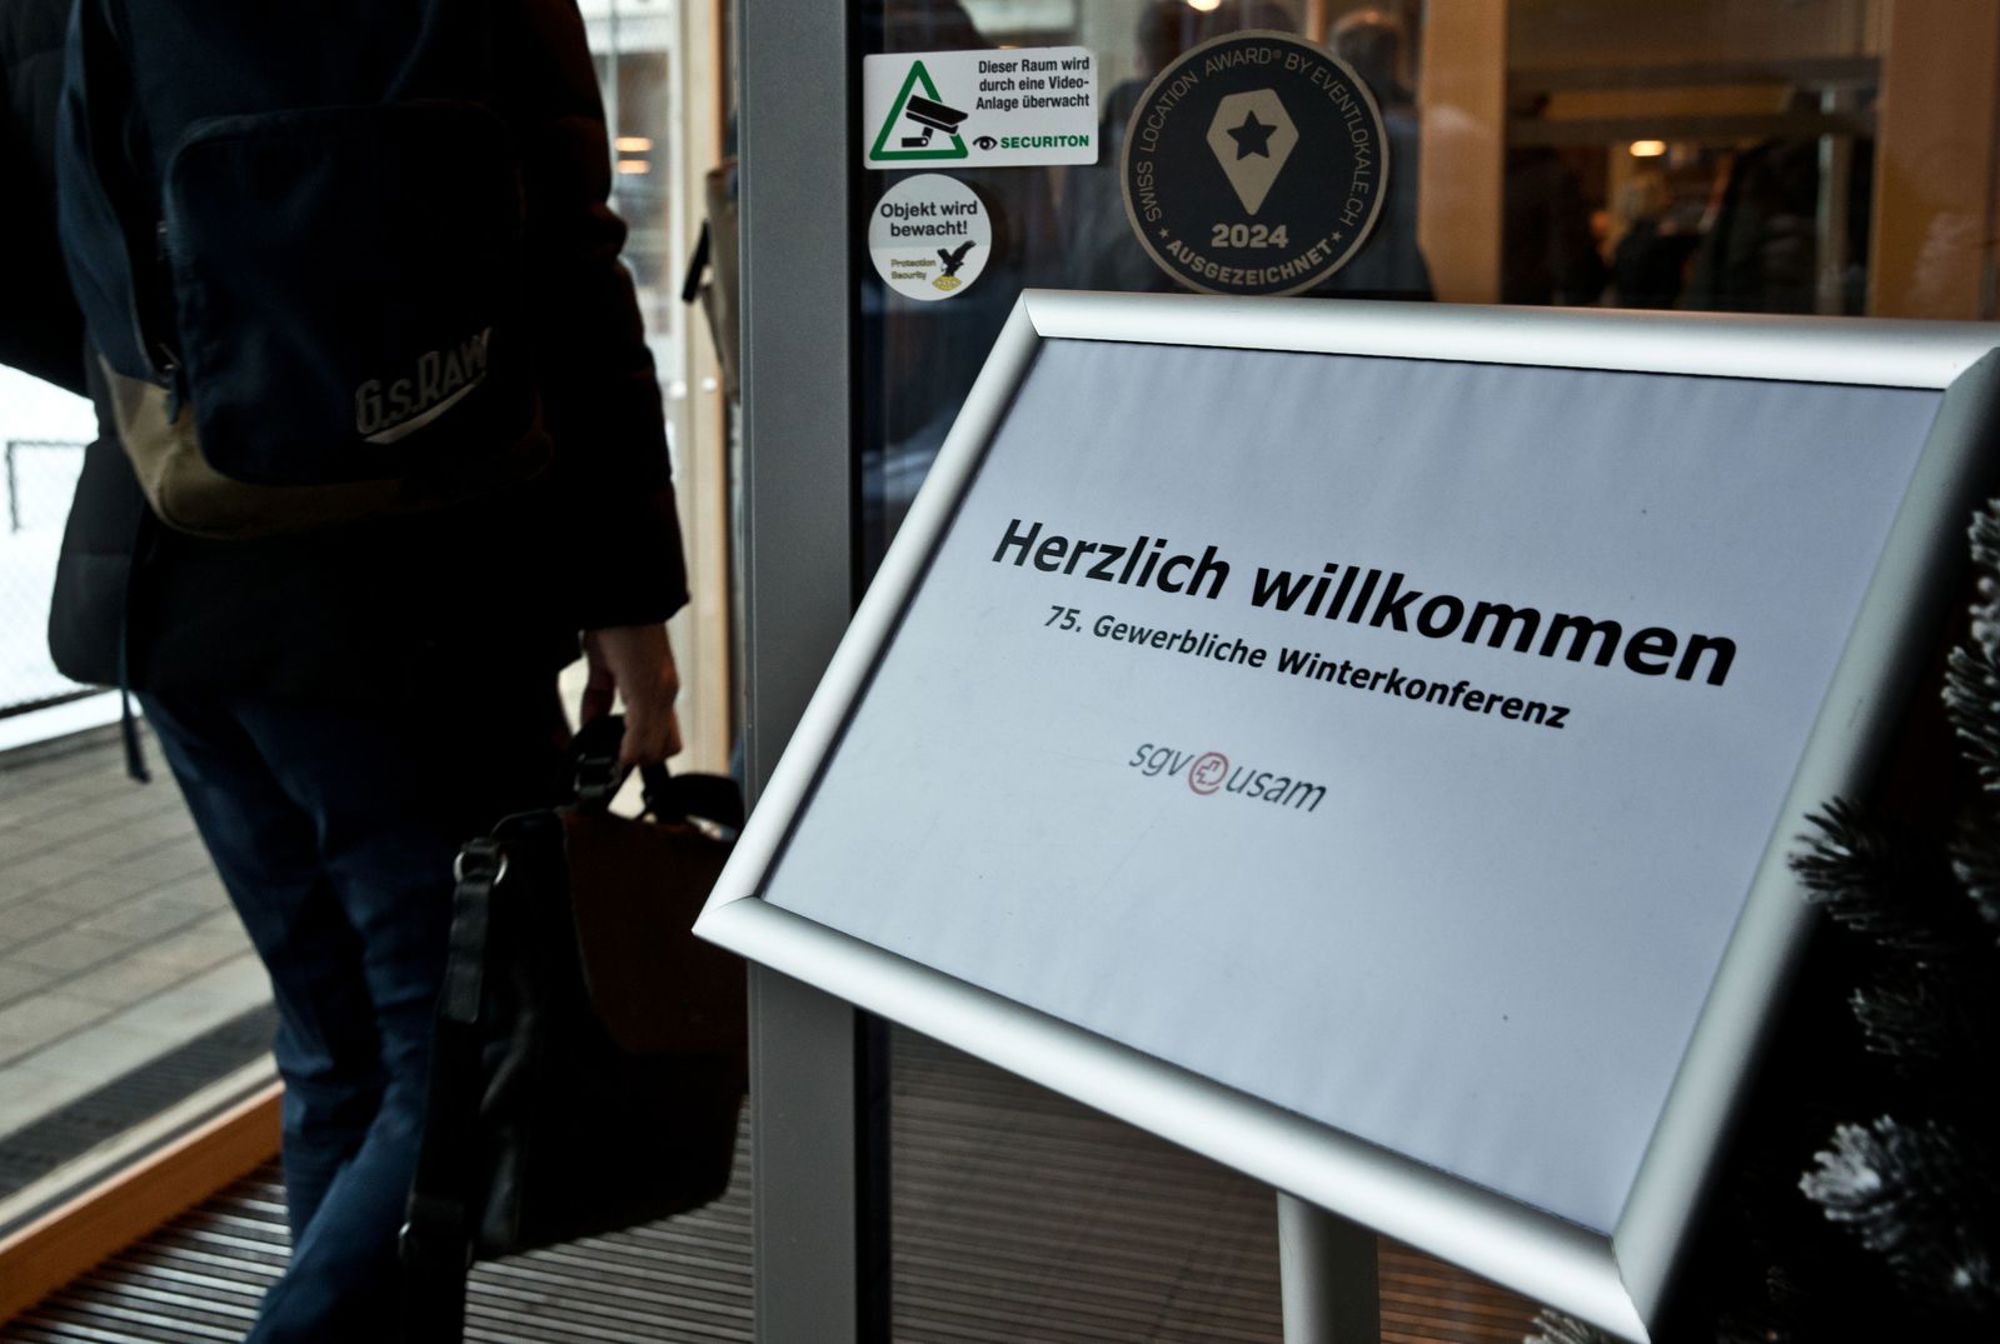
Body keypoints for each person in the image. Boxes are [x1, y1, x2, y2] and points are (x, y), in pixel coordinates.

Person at [5, 0, 688, 1338]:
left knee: (345, 1048)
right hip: (426, 594)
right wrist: (629, 598)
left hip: (178, 565)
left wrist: (196, 380)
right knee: (477, 1040)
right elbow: (567, 261)